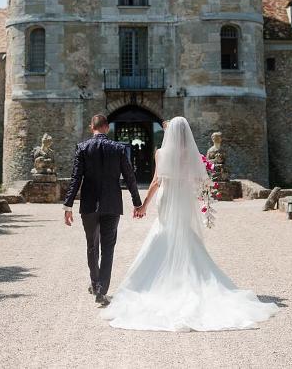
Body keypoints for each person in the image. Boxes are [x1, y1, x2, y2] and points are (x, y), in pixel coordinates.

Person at [99, 116, 279, 331]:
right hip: (183, 197)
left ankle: (160, 280)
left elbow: (157, 182)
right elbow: (201, 182)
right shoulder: (193, 155)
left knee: (164, 231)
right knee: (183, 232)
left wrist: (144, 205)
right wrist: (204, 198)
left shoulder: (161, 153)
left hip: (167, 196)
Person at [63, 114, 143, 307]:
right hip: (112, 204)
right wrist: (137, 202)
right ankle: (101, 290)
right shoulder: (118, 149)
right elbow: (130, 177)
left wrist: (68, 205)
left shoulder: (82, 148)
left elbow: (76, 178)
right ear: (107, 127)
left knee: (92, 246)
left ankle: (95, 282)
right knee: (108, 248)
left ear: (92, 127)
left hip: (89, 204)